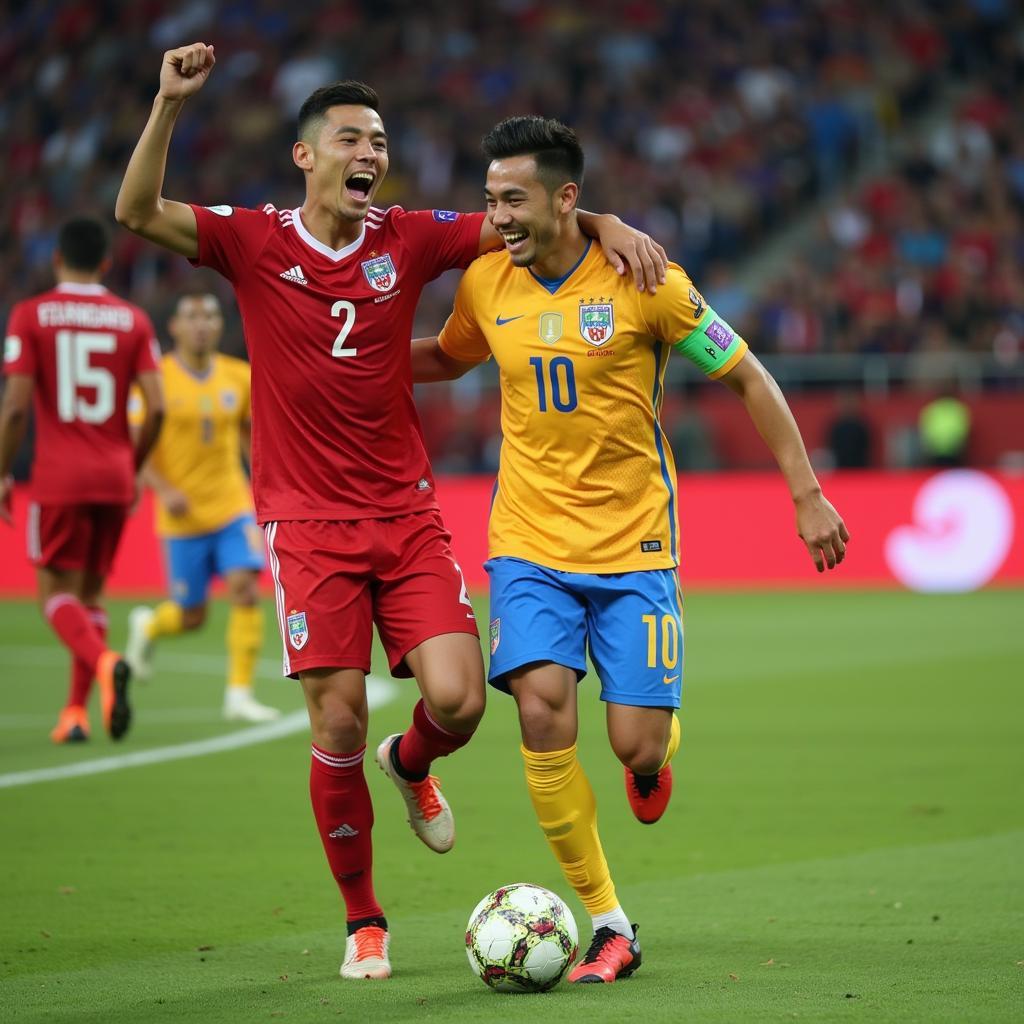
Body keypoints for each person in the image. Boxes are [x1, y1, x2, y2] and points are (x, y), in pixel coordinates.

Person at [114, 42, 666, 981]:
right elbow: (134, 212)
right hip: (305, 523)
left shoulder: (409, 238)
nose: (370, 151)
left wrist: (603, 215)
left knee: (457, 699)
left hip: (405, 517)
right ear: (306, 156)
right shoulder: (252, 240)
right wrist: (167, 104)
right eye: (349, 138)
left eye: (378, 139)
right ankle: (363, 919)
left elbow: (532, 224)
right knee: (332, 723)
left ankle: (408, 763)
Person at [412, 116, 850, 984]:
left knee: (635, 748)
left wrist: (807, 494)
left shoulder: (647, 280)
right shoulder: (485, 283)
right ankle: (611, 923)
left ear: (566, 198)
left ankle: (656, 760)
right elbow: (448, 358)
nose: (495, 215)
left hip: (635, 546)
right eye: (489, 197)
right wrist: (336, 359)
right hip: (527, 542)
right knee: (540, 710)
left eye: (513, 198)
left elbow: (747, 375)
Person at [0, 216, 164, 743]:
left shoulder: (31, 315)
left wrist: (3, 470)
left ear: (56, 259)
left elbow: (14, 412)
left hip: (59, 479)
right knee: (91, 599)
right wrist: (133, 467)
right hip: (115, 476)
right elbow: (157, 408)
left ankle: (102, 661)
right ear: (106, 263)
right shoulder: (133, 320)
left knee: (52, 592)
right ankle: (74, 713)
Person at [125, 290, 279, 723]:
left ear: (218, 326)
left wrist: (269, 483)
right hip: (181, 514)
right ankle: (149, 627)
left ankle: (239, 694)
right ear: (174, 327)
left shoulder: (238, 375)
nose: (202, 324)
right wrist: (161, 488)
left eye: (210, 316)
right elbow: (136, 443)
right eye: (191, 316)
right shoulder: (155, 378)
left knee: (246, 588)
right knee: (192, 615)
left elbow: (255, 437)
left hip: (232, 504)